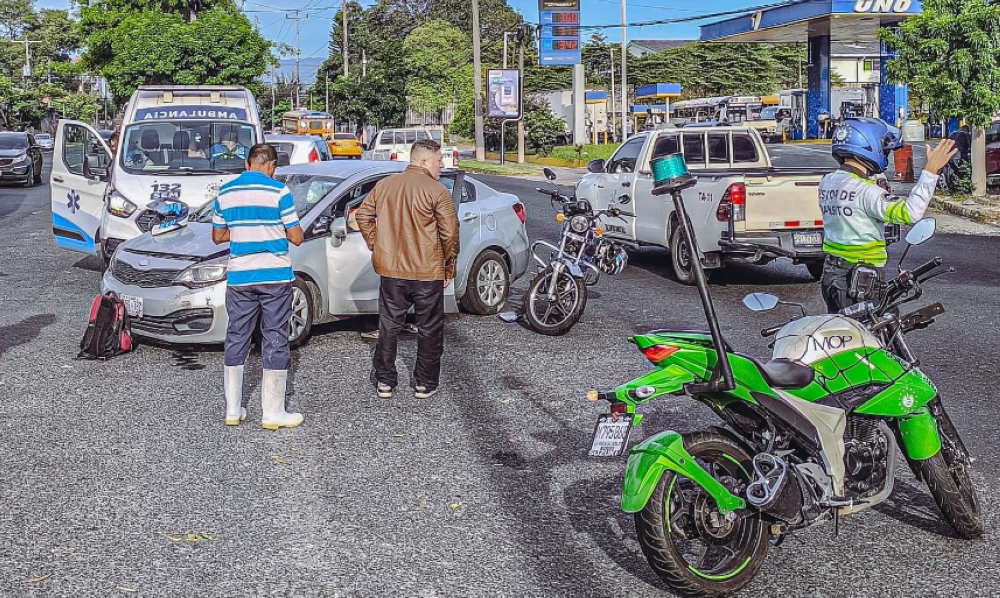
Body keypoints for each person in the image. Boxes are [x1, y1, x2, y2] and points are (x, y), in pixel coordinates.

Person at [355, 139, 459, 400]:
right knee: (429, 327)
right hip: (427, 269)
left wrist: (375, 243)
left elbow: (362, 215)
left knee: (389, 325)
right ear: (423, 162)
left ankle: (385, 381)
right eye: (438, 161)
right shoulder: (437, 191)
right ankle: (424, 382)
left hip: (391, 269)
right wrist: (449, 266)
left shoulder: (385, 185)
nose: (441, 165)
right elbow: (450, 233)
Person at [818, 117, 956, 313]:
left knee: (844, 335)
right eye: (885, 150)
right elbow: (910, 213)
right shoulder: (865, 190)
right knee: (868, 340)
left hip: (833, 273)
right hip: (859, 280)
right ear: (870, 146)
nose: (886, 155)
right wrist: (931, 171)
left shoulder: (828, 182)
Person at [212, 143, 305, 429]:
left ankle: (232, 409)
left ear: (248, 163)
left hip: (240, 276)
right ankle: (273, 412)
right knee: (275, 335)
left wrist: (243, 231)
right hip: (274, 276)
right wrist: (272, 230)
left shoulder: (225, 192)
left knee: (237, 335)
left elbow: (218, 236)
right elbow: (297, 237)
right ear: (271, 165)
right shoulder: (279, 192)